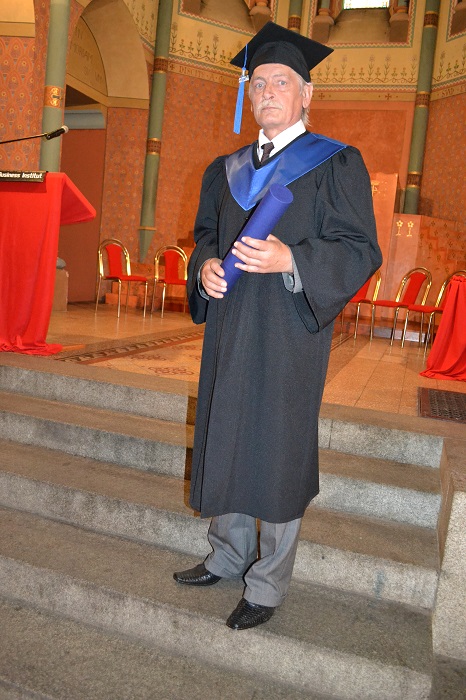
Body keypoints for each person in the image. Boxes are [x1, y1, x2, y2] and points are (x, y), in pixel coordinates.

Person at [173, 22, 382, 631]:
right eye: (259, 82)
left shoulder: (336, 163)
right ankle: (227, 554)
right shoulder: (225, 169)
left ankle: (266, 583)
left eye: (281, 82)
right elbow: (206, 237)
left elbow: (360, 249)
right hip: (231, 324)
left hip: (290, 329)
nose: (267, 91)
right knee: (227, 429)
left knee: (277, 447)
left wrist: (293, 259)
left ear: (306, 94)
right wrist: (204, 267)